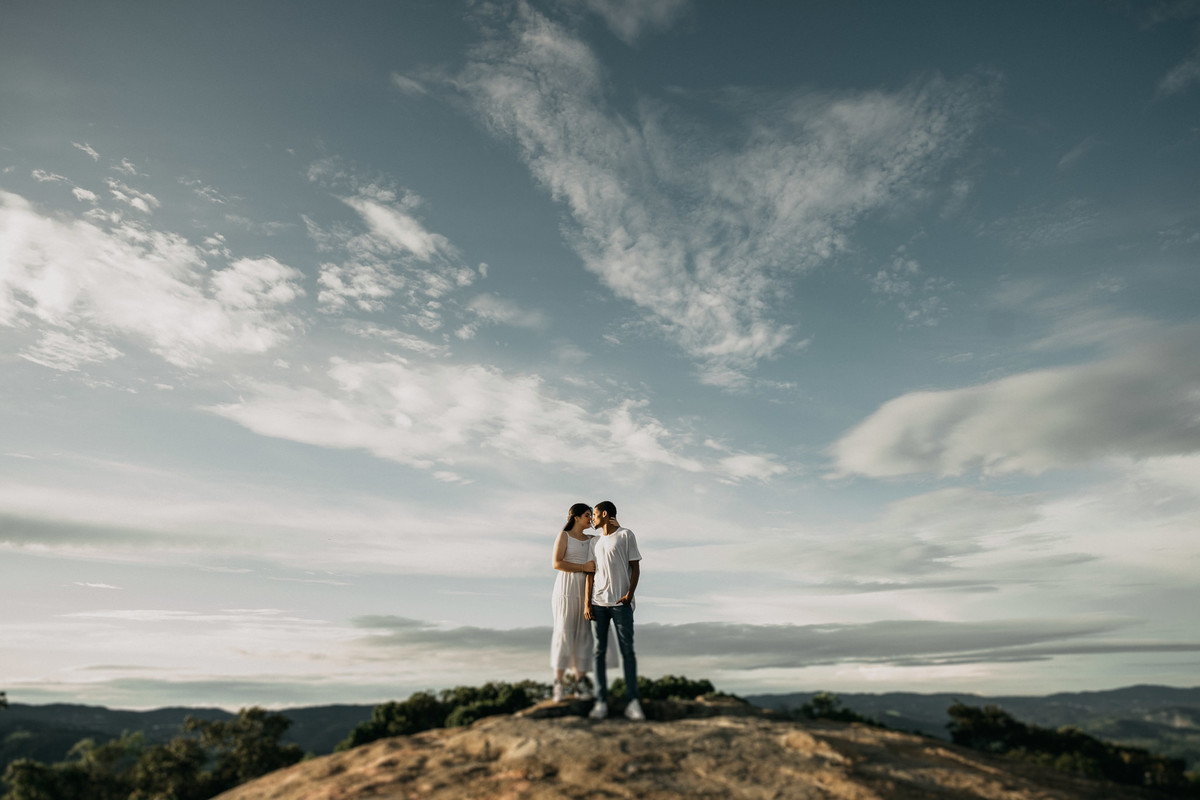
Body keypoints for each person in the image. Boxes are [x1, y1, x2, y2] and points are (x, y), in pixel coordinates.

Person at [549, 502, 615, 702]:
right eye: (587, 515)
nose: (590, 519)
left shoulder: (593, 540)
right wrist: (583, 567)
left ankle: (580, 684)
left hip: (587, 591)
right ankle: (558, 684)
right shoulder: (564, 536)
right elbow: (557, 563)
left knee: (584, 636)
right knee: (564, 632)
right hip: (566, 589)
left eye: (591, 515)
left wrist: (614, 524)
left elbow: (610, 537)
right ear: (576, 517)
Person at [584, 500, 644, 721]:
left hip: (621, 605)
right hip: (598, 604)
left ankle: (632, 702)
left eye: (595, 514)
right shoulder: (595, 542)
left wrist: (629, 594)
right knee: (599, 653)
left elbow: (635, 567)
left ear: (605, 514)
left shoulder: (626, 534)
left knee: (627, 651)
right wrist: (586, 603)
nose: (592, 518)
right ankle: (601, 702)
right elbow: (590, 573)